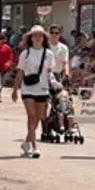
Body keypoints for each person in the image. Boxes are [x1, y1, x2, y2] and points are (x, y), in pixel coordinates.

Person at [12, 25, 58, 158]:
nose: (38, 38)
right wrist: (15, 89)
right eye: (35, 35)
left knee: (39, 118)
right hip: (28, 88)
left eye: (40, 35)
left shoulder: (48, 54)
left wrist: (53, 81)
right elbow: (20, 71)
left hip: (42, 88)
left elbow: (50, 71)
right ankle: (34, 147)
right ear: (30, 38)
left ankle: (26, 142)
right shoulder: (25, 53)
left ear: (44, 38)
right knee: (31, 116)